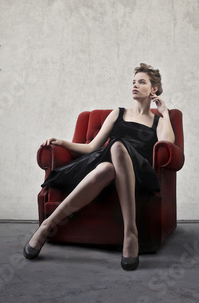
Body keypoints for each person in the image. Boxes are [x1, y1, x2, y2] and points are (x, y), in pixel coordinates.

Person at [23, 63, 175, 270]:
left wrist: (165, 113)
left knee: (119, 146)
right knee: (106, 167)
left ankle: (130, 232)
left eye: (141, 82)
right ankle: (47, 225)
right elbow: (92, 147)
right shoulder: (118, 113)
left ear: (154, 89)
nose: (135, 85)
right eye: (133, 82)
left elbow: (168, 144)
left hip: (136, 173)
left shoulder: (157, 122)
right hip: (106, 167)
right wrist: (63, 142)